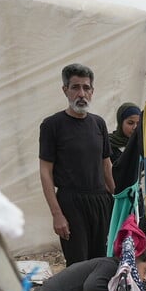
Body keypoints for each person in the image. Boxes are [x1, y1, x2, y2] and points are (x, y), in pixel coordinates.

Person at [39, 63, 114, 266]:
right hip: (71, 204)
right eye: (75, 87)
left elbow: (106, 165)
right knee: (78, 265)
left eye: (86, 88)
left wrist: (117, 200)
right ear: (65, 90)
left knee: (103, 262)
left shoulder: (99, 123)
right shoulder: (52, 125)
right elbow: (45, 172)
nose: (81, 93)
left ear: (92, 91)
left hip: (100, 202)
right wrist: (57, 214)